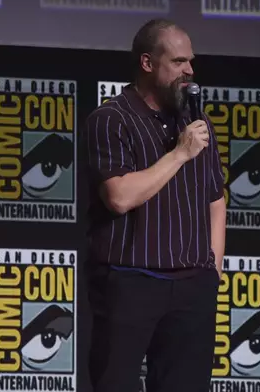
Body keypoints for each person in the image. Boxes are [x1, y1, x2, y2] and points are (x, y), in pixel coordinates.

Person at [84, 18, 227, 392]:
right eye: (178, 62)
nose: (190, 70)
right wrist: (180, 153)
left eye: (190, 62)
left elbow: (216, 198)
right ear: (148, 63)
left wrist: (212, 268)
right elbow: (119, 197)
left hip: (192, 286)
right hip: (129, 283)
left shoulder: (197, 124)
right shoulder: (111, 119)